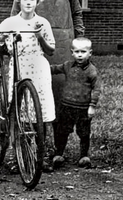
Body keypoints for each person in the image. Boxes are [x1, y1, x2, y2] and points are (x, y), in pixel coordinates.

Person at [11, 0, 85, 162]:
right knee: (34, 93)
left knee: (59, 95)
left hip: (62, 44)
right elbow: (15, 13)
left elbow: (77, 12)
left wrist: (79, 38)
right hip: (32, 45)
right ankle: (31, 144)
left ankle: (56, 148)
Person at [0, 0, 56, 172]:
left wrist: (40, 37)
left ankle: (41, 155)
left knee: (41, 114)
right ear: (19, 0)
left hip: (38, 69)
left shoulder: (42, 23)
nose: (29, 2)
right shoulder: (11, 22)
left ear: (37, 1)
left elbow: (51, 50)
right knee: (18, 112)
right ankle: (19, 155)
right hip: (18, 68)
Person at [50, 37, 101, 169]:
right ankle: (59, 154)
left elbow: (96, 89)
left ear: (90, 53)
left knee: (84, 132)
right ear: (72, 52)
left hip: (83, 107)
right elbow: (55, 69)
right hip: (66, 106)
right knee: (62, 131)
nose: (79, 55)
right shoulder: (67, 66)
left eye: (83, 52)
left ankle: (84, 156)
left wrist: (92, 106)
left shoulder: (91, 70)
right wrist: (43, 67)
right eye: (76, 51)